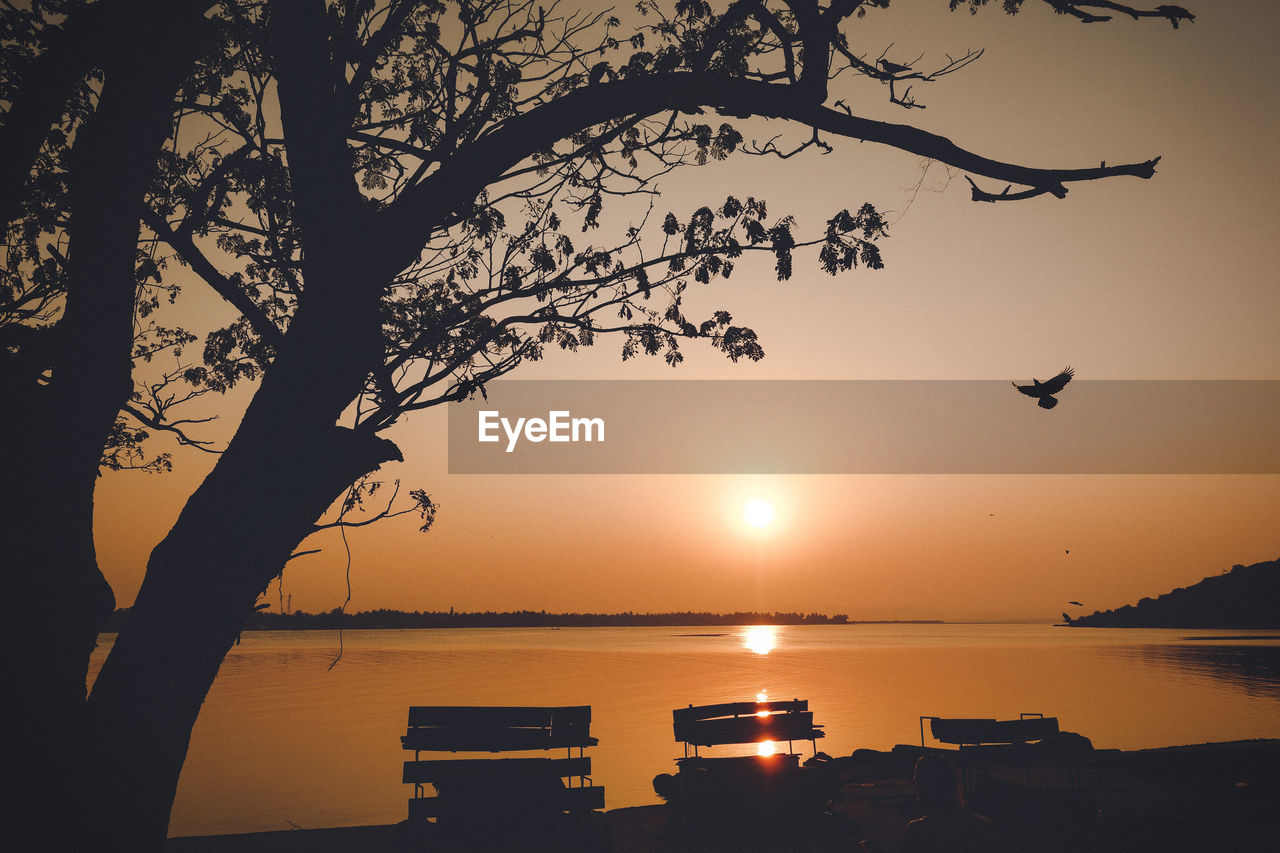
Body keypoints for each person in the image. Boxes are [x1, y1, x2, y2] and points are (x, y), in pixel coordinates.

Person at [900, 754, 1007, 853]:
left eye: (917, 783)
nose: (915, 789)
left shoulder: (917, 832)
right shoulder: (985, 827)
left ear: (925, 788)